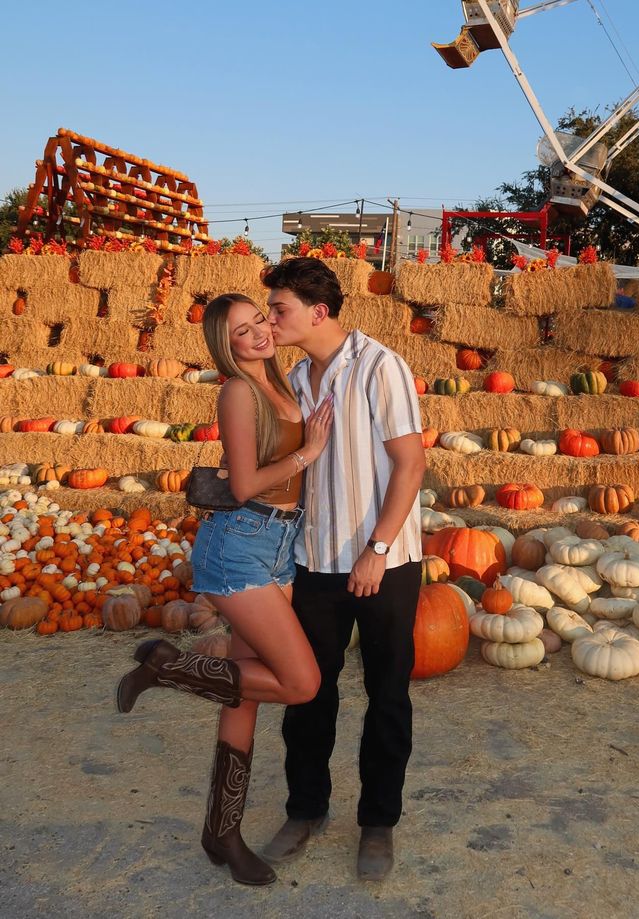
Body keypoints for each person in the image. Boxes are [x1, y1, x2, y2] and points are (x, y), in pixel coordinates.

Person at [115, 293, 333, 887]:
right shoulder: (238, 391)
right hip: (240, 545)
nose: (258, 333)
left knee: (244, 699)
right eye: (241, 332)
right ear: (226, 345)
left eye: (259, 320)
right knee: (301, 682)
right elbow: (241, 485)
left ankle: (222, 834)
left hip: (279, 547)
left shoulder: (283, 384)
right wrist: (309, 453)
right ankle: (168, 670)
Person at [259, 257, 426, 881]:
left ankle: (378, 824)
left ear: (318, 312)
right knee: (307, 692)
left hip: (384, 560)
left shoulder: (381, 367)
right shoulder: (298, 378)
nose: (271, 321)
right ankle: (305, 810)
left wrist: (376, 550)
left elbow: (410, 465)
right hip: (315, 560)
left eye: (280, 310)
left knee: (387, 694)